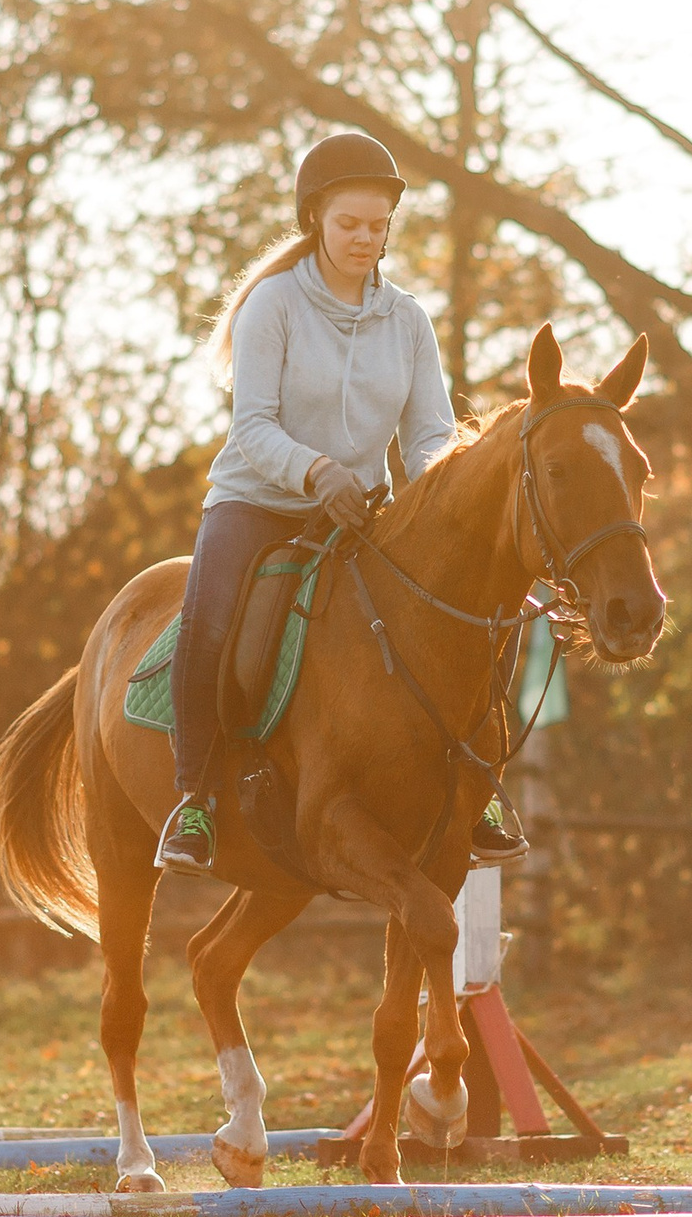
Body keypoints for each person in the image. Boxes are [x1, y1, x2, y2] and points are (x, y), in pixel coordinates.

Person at [157, 131, 526, 874]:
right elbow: (252, 426)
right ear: (315, 221)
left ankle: (478, 781)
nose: (364, 237)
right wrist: (319, 470)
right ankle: (193, 798)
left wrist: (441, 492)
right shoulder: (275, 305)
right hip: (258, 501)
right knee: (211, 621)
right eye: (349, 223)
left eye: (376, 224)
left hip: (364, 511)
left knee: (489, 610)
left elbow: (429, 435)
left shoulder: (409, 321)